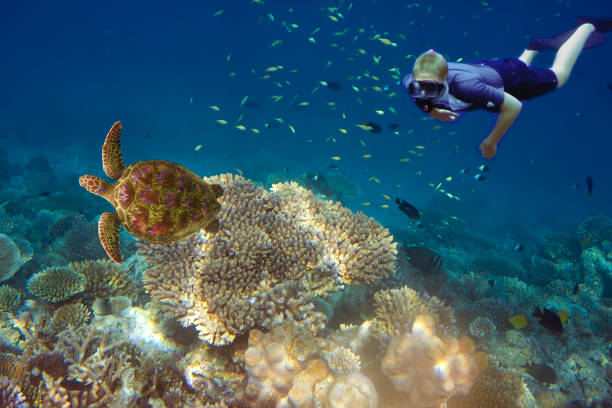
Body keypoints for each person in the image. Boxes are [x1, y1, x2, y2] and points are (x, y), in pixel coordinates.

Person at [402, 17, 612, 159]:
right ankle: (534, 46)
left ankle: (587, 27)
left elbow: (512, 107)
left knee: (559, 76)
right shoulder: (411, 83)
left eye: (432, 87)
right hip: (490, 70)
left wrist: (491, 142)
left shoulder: (467, 87)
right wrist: (434, 111)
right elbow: (420, 101)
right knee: (502, 80)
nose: (425, 92)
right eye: (420, 85)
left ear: (445, 79)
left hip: (512, 79)